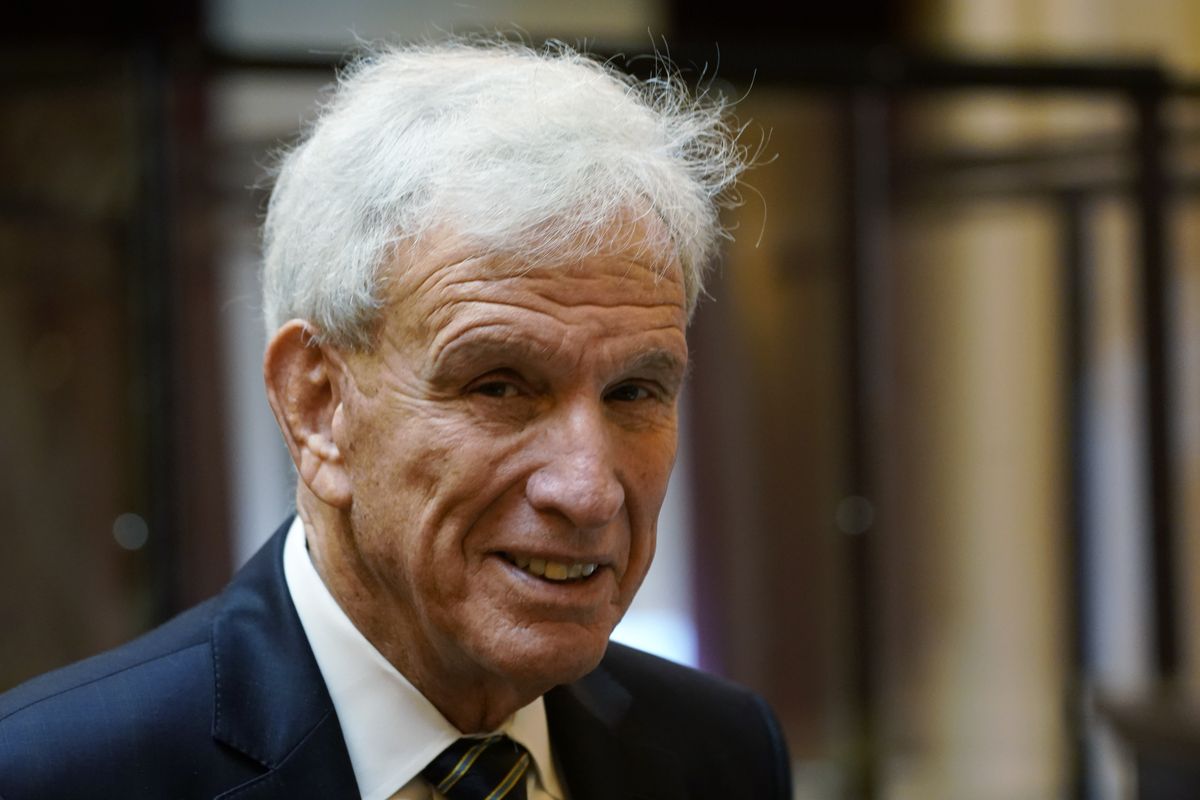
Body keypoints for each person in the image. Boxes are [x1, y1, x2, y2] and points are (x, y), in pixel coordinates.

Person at [0, 39, 791, 799]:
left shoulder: (719, 753)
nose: (588, 492)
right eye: (500, 387)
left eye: (633, 393)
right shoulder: (55, 774)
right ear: (317, 405)